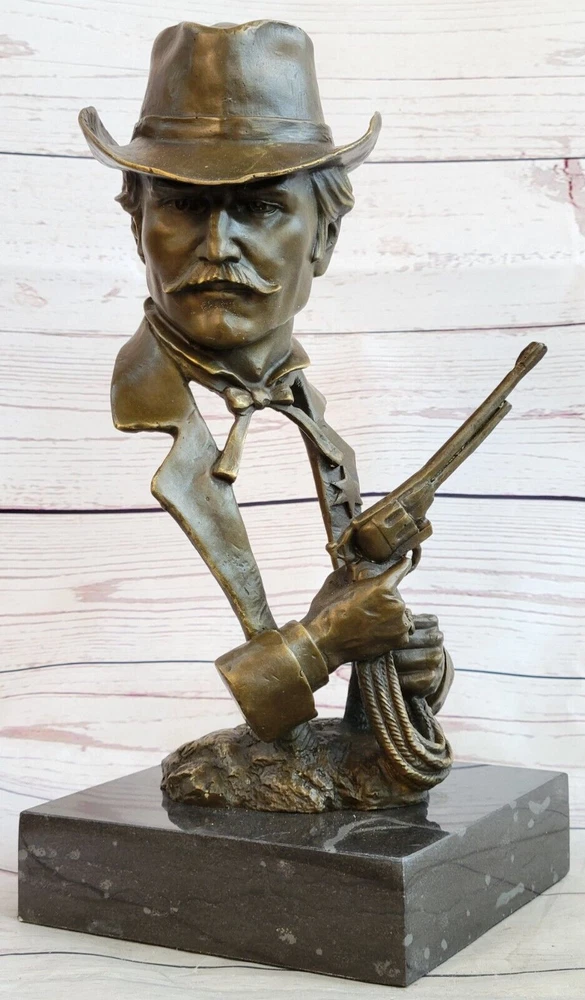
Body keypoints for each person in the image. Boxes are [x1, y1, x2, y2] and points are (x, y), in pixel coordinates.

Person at [79, 19, 452, 747]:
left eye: (259, 208)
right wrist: (323, 643)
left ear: (325, 237)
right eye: (182, 205)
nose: (218, 246)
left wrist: (406, 673)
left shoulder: (322, 431)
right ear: (137, 226)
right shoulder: (111, 431)